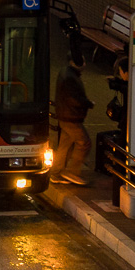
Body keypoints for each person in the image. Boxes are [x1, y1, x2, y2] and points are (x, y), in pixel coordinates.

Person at [52, 56, 95, 186]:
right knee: (84, 142)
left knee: (64, 145)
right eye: (82, 61)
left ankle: (56, 172)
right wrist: (88, 103)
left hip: (64, 115)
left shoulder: (66, 72)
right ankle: (72, 172)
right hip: (71, 117)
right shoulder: (71, 78)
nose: (85, 64)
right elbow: (74, 99)